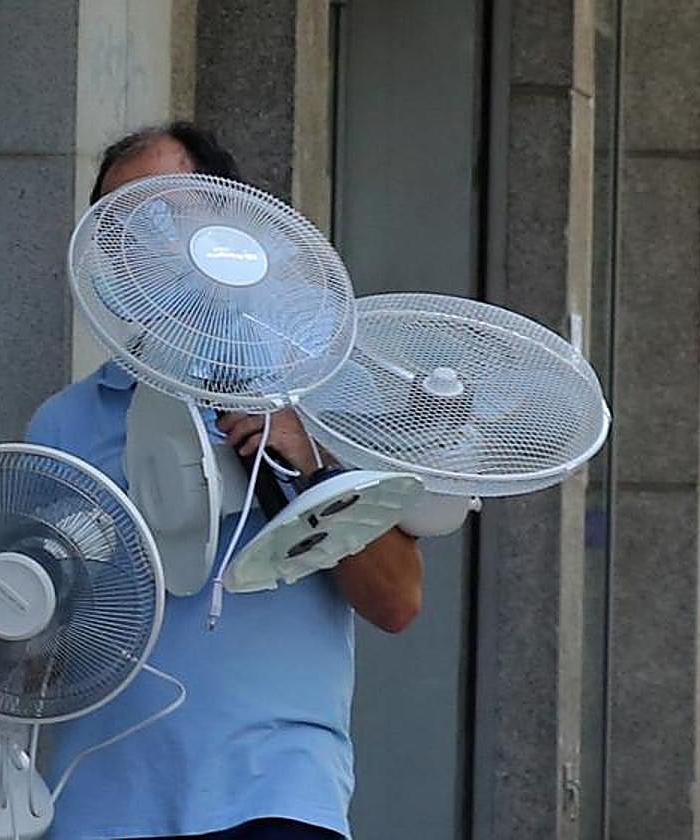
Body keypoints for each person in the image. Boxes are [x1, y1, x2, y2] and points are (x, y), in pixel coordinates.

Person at [25, 121, 423, 840]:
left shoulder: (320, 393)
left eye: (162, 216)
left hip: (275, 794)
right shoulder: (66, 424)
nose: (141, 244)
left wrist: (312, 466)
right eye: (117, 227)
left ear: (234, 230)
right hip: (101, 803)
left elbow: (396, 602)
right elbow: (28, 657)